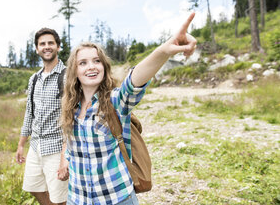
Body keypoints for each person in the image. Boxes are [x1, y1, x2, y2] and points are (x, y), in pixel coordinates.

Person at [58, 13, 197, 205]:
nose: (91, 66)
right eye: (83, 63)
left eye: (97, 61)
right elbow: (69, 141)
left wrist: (165, 50)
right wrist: (65, 159)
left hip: (116, 197)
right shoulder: (69, 107)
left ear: (104, 67)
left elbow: (134, 81)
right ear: (75, 71)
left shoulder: (115, 100)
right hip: (78, 199)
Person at [16, 28, 69, 205]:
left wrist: (65, 156)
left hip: (56, 147)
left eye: (50, 43)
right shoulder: (34, 79)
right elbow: (29, 113)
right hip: (36, 145)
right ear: (37, 49)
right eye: (42, 44)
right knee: (33, 187)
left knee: (60, 197)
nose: (47, 47)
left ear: (58, 47)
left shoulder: (67, 76)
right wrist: (21, 144)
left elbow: (72, 118)